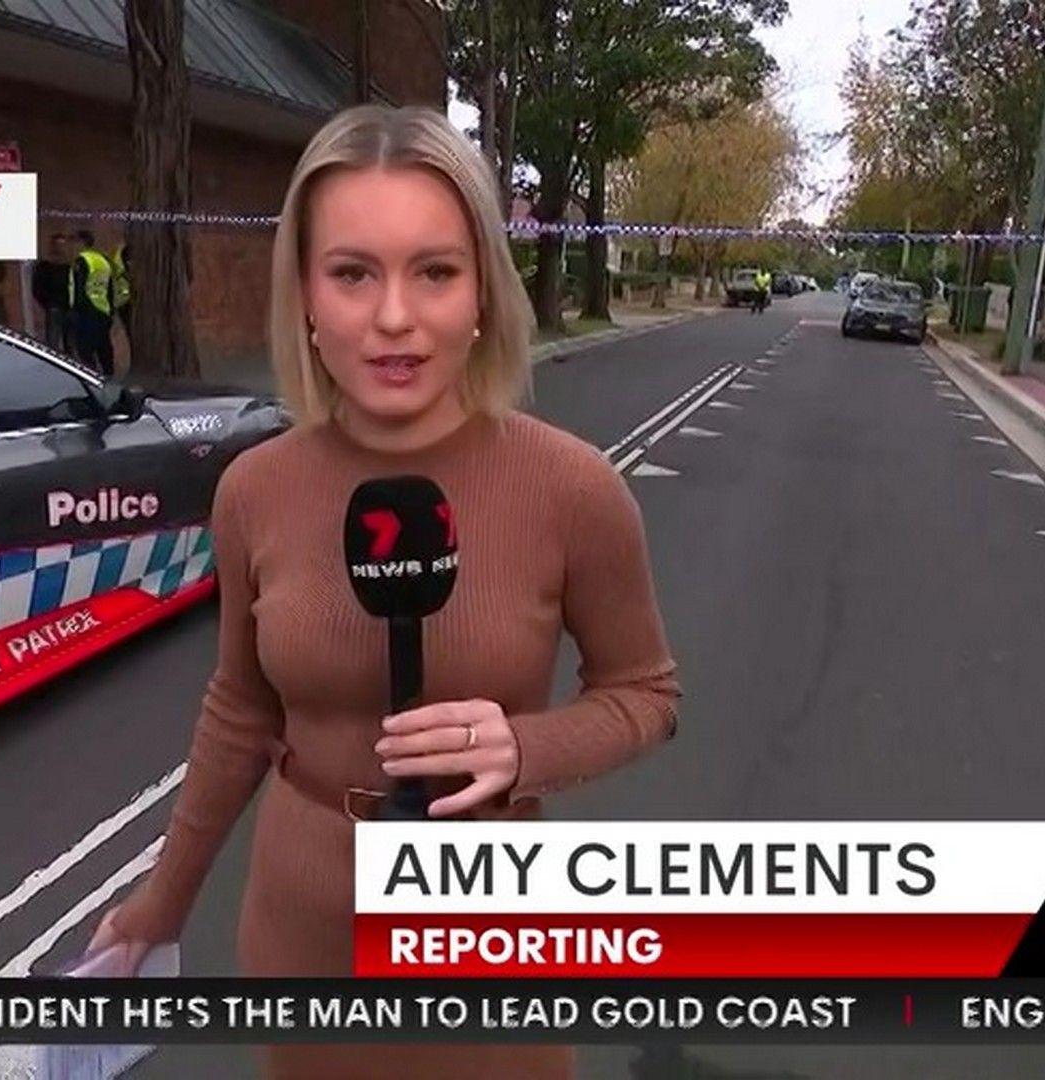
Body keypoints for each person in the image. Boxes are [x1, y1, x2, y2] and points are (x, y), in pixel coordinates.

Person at [87, 104, 681, 1079]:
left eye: (435, 272)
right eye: (354, 273)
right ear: (305, 298)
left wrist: (525, 748)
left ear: (483, 289)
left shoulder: (573, 489)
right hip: (302, 935)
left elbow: (646, 695)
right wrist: (163, 901)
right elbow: (240, 709)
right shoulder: (254, 491)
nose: (394, 317)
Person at [69, 229, 117, 375]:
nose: (72, 245)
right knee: (103, 347)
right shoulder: (102, 260)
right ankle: (108, 374)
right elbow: (110, 287)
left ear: (82, 242)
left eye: (74, 241)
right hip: (103, 309)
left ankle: (91, 376)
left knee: (85, 349)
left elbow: (80, 287)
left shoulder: (82, 261)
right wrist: (111, 311)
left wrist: (76, 312)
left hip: (87, 311)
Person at [33, 233, 75, 355]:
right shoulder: (45, 266)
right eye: (58, 245)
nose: (61, 248)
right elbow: (38, 288)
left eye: (63, 245)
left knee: (70, 343)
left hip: (69, 308)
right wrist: (48, 303)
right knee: (53, 342)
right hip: (54, 307)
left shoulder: (70, 266)